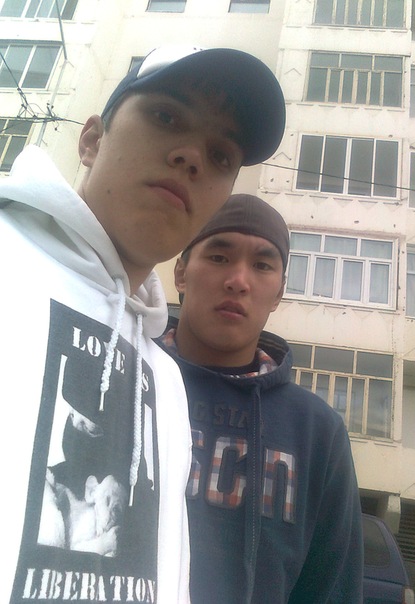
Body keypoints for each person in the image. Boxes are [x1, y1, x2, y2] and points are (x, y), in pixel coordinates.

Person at [0, 46, 285, 604]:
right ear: (91, 140)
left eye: (221, 155)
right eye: (166, 116)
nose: (192, 157)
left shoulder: (165, 378)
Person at [157, 194, 364, 603]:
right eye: (219, 257)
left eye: (262, 265)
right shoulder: (127, 377)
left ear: (279, 293)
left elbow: (331, 590)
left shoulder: (317, 431)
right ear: (181, 273)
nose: (238, 280)